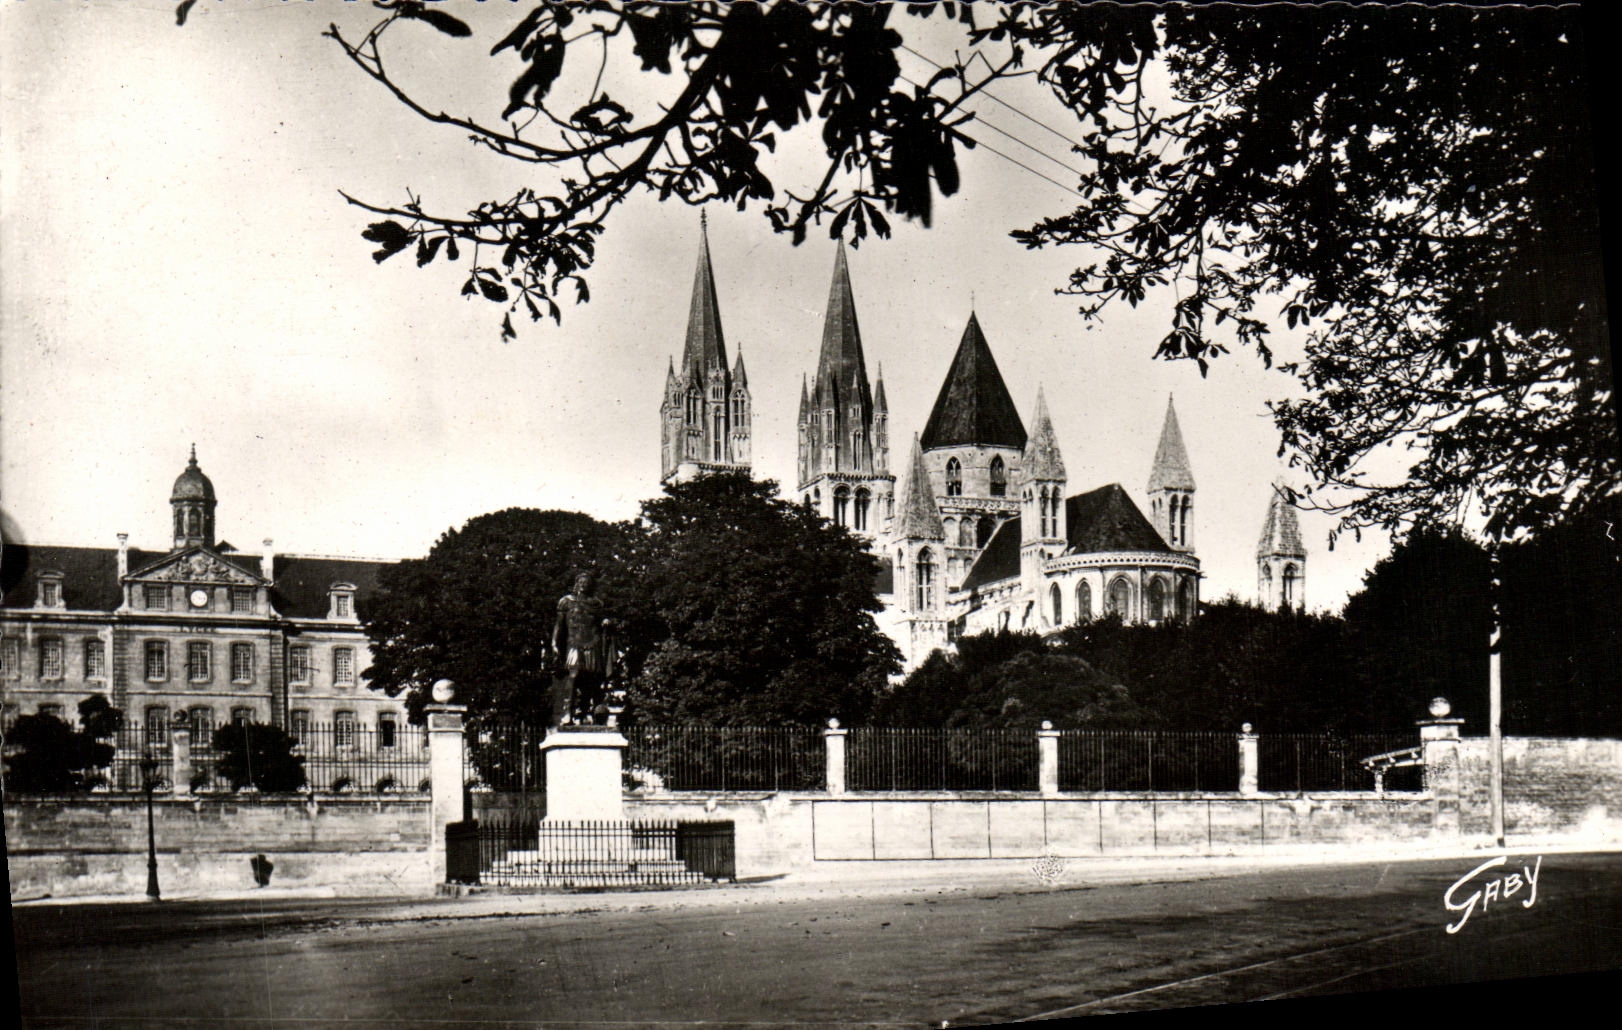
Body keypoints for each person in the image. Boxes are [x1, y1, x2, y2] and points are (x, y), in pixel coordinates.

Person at [549, 570, 615, 728]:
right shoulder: (566, 602)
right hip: (574, 644)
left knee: (591, 681)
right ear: (576, 584)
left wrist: (606, 622)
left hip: (593, 643)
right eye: (581, 582)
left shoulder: (596, 604)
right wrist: (554, 644)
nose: (584, 585)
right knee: (573, 677)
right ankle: (568, 714)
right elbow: (559, 626)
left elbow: (600, 623)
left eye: (587, 582)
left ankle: (587, 715)